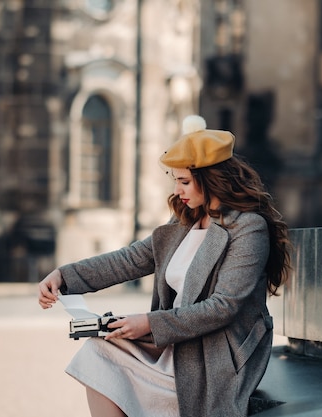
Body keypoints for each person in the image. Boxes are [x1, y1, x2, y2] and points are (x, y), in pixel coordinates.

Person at [38, 115, 291, 417]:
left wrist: (149, 323)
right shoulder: (184, 221)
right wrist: (65, 276)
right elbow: (130, 259)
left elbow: (223, 307)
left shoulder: (249, 229)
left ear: (211, 179)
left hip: (217, 357)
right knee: (96, 353)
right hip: (176, 345)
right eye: (175, 180)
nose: (177, 190)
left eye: (184, 181)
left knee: (104, 358)